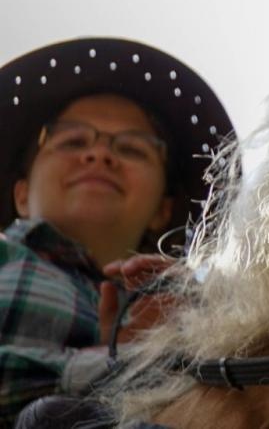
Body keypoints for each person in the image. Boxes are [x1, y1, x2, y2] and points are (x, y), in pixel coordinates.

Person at [1, 38, 233, 428]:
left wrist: (183, 341)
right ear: (22, 195)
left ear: (163, 208)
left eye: (132, 149)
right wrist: (123, 362)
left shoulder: (192, 310)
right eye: (73, 140)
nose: (100, 155)